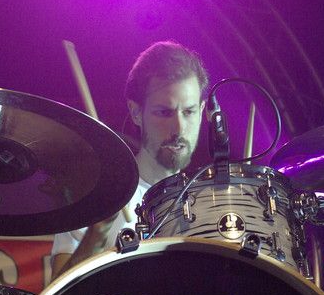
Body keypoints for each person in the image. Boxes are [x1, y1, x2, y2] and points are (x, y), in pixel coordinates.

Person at [51, 41, 209, 278]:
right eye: (164, 112)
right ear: (136, 112)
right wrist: (97, 234)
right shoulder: (95, 195)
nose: (178, 127)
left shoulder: (211, 204)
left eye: (189, 112)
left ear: (202, 110)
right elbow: (58, 294)